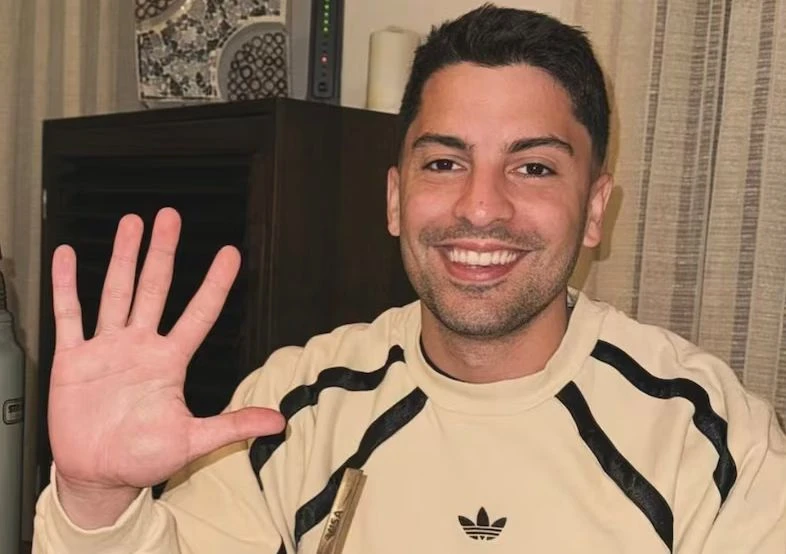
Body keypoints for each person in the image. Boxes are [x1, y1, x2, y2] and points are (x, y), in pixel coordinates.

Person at [32, 4, 786, 553]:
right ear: (395, 199)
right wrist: (96, 505)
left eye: (532, 167)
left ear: (594, 209)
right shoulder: (289, 410)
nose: (481, 207)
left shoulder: (707, 439)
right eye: (445, 162)